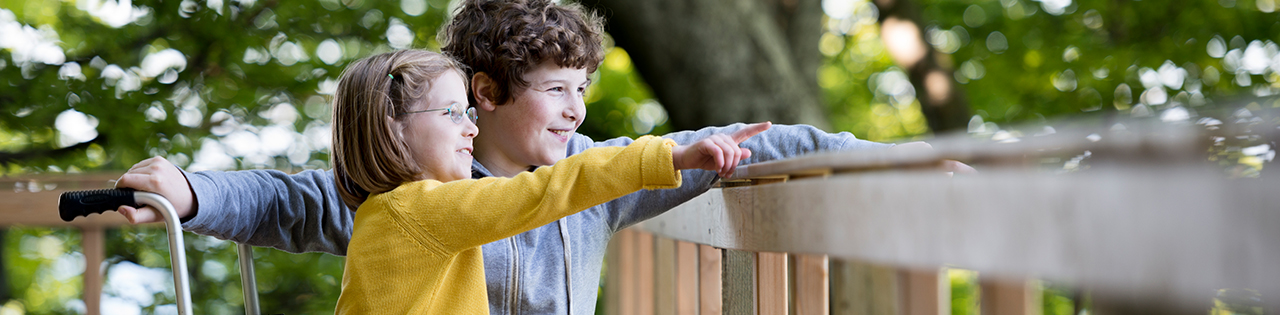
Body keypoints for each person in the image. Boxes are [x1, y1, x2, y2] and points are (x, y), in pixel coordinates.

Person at [114, 0, 972, 313]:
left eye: (582, 88)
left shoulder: (595, 175)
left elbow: (756, 144)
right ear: (483, 95)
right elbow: (281, 199)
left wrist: (885, 158)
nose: (578, 109)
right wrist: (187, 188)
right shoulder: (404, 194)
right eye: (556, 90)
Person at [322, 49, 764, 313]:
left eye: (469, 114)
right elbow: (545, 191)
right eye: (453, 114)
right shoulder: (419, 210)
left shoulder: (387, 211)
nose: (471, 129)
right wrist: (674, 156)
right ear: (393, 125)